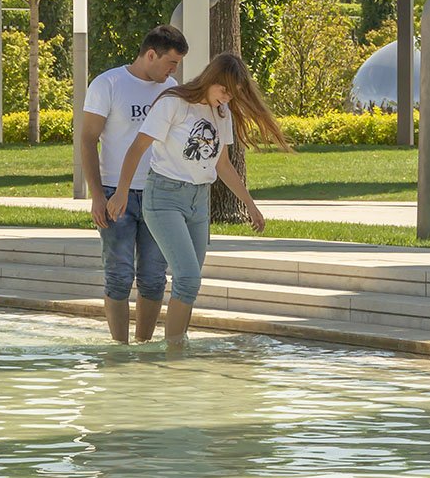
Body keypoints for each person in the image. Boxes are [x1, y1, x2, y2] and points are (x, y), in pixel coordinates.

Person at [106, 51, 287, 345]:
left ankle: (165, 348)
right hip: (164, 198)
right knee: (189, 277)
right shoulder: (173, 103)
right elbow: (137, 148)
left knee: (188, 284)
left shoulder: (221, 113)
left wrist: (250, 205)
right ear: (211, 79)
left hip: (198, 202)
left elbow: (223, 164)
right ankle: (175, 354)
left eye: (233, 94)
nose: (227, 98)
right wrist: (122, 191)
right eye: (224, 90)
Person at [81, 25, 189, 343]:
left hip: (159, 194)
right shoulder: (108, 84)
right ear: (151, 54)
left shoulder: (170, 90)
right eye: (171, 63)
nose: (173, 71)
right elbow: (87, 140)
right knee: (119, 275)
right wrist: (97, 195)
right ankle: (119, 347)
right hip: (116, 195)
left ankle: (143, 346)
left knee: (154, 278)